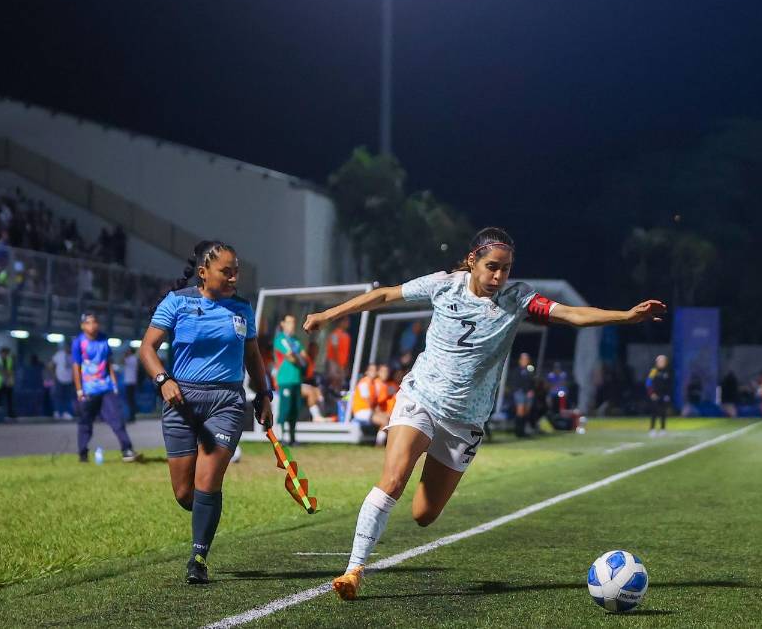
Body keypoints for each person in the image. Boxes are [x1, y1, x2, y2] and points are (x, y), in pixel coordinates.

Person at [303, 227, 666, 600]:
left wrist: (626, 316)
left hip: (465, 422)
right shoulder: (443, 285)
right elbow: (384, 295)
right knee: (393, 480)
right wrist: (328, 314)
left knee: (424, 515)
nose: (498, 276)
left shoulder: (517, 298)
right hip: (421, 398)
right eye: (492, 267)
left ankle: (382, 537)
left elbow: (571, 313)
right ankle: (353, 570)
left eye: (505, 269)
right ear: (472, 261)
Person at [139, 240, 274, 585]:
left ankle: (198, 559)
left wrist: (264, 394)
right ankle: (207, 507)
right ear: (203, 272)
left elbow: (253, 356)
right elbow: (147, 348)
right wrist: (163, 380)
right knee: (186, 493)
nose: (233, 278)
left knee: (207, 481)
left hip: (226, 402)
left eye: (236, 272)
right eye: (226, 272)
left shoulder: (242, 308)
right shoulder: (177, 302)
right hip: (181, 401)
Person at [73, 312, 140, 463]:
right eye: (88, 322)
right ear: (83, 326)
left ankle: (127, 450)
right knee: (85, 422)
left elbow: (109, 362)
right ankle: (83, 453)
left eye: (94, 322)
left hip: (106, 387)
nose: (92, 325)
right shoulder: (78, 342)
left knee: (117, 419)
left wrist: (114, 384)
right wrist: (79, 389)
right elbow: (76, 367)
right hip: (88, 390)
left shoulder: (103, 338)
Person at [273, 315, 308, 445]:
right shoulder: (280, 339)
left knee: (295, 409)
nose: (292, 325)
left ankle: (292, 438)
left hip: (296, 379)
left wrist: (298, 358)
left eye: (293, 322)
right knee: (285, 408)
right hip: (285, 379)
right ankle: (281, 437)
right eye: (289, 322)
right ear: (283, 324)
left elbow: (305, 357)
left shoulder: (296, 340)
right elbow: (290, 357)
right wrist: (299, 359)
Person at [646, 354, 672, 436]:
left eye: (663, 361)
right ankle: (652, 429)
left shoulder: (667, 371)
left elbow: (669, 384)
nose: (662, 363)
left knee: (663, 412)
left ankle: (663, 429)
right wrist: (651, 393)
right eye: (660, 361)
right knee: (654, 411)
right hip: (655, 394)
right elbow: (648, 382)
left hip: (663, 394)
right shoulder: (653, 371)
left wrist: (667, 394)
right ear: (657, 362)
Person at [49, 343, 75, 420]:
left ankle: (67, 413)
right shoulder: (59, 354)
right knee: (58, 396)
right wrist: (54, 375)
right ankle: (57, 412)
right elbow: (51, 365)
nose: (69, 349)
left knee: (68, 397)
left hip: (69, 380)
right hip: (59, 379)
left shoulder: (74, 355)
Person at [0, 347, 16, 418]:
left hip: (8, 382)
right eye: (4, 353)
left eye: (7, 354)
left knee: (9, 399)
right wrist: (7, 374)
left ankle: (10, 414)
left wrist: (9, 378)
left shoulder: (9, 360)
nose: (5, 355)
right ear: (1, 353)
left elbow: (11, 370)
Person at [123, 347, 140, 422]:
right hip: (133, 381)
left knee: (130, 400)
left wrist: (125, 355)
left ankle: (131, 416)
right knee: (131, 399)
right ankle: (132, 415)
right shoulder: (135, 359)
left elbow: (122, 361)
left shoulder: (129, 359)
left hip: (129, 381)